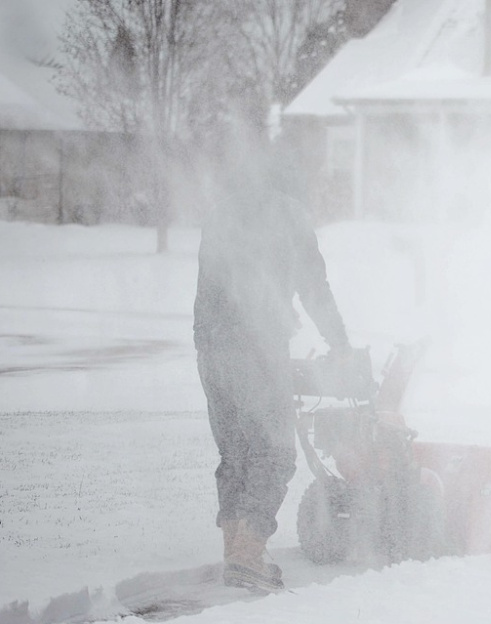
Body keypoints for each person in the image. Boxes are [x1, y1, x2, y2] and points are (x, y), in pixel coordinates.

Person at [193, 141, 350, 592]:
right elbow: (314, 289)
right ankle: (247, 554)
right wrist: (339, 344)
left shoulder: (221, 213)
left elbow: (218, 286)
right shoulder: (290, 216)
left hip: (209, 348)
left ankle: (237, 550)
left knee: (237, 453)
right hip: (256, 349)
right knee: (275, 452)